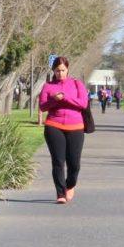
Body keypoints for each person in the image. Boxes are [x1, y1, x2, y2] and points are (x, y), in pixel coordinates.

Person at [38, 57, 88, 204]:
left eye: (63, 70)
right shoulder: (48, 86)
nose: (60, 73)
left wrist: (65, 99)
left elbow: (83, 103)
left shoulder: (77, 84)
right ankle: (60, 193)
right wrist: (54, 100)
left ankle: (70, 184)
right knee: (58, 161)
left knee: (74, 164)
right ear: (53, 71)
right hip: (54, 126)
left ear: (67, 69)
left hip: (76, 127)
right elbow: (43, 106)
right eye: (57, 70)